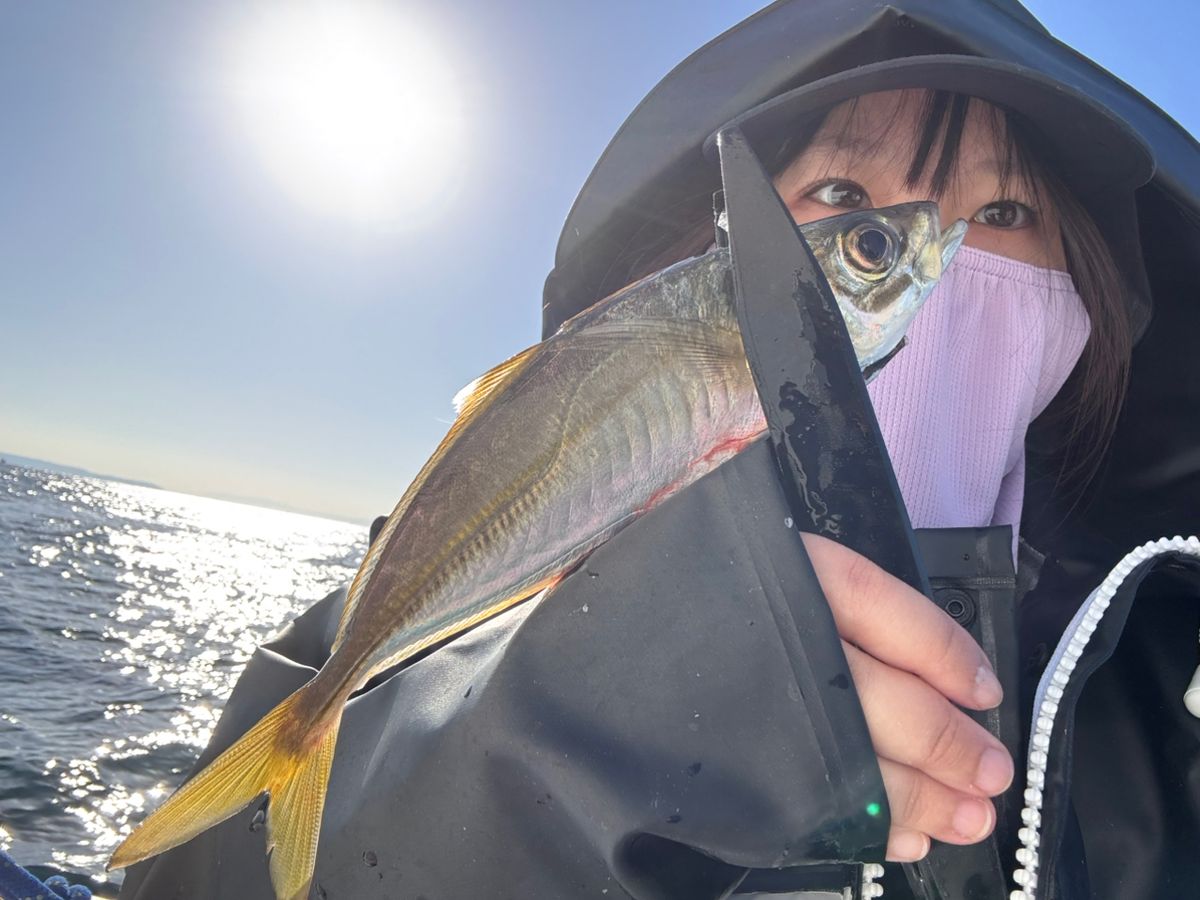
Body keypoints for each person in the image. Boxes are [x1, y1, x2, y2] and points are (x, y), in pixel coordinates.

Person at [118, 1, 1200, 898]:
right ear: (725, 245)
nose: (948, 257)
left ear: (1095, 302)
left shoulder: (1169, 673)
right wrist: (517, 773)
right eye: (843, 200)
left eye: (1007, 209)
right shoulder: (471, 624)